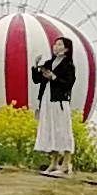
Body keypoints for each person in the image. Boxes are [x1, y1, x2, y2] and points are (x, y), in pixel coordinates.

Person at [33, 33, 81, 177]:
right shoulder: (48, 63)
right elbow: (37, 80)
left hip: (59, 101)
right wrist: (36, 67)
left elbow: (68, 84)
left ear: (66, 49)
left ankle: (66, 164)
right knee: (50, 130)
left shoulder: (68, 65)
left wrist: (54, 77)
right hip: (47, 99)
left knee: (62, 130)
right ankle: (53, 163)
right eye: (55, 44)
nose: (56, 46)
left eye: (60, 44)